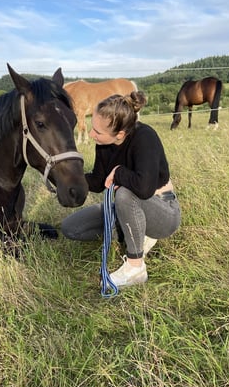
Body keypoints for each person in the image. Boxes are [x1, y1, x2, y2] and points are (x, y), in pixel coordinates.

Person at [61, 91, 181, 288]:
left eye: (98, 132)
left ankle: (136, 268)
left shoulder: (145, 138)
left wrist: (118, 172)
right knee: (71, 228)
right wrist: (69, 179)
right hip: (130, 205)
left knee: (124, 193)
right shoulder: (104, 143)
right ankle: (133, 229)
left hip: (163, 212)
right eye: (93, 128)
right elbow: (100, 181)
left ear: (120, 134)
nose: (91, 135)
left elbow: (143, 188)